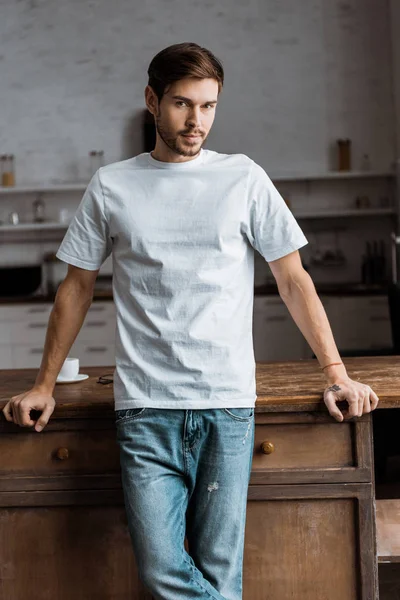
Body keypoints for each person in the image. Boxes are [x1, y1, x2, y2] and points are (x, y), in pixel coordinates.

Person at [2, 42, 379, 600]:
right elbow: (75, 287)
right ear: (152, 100)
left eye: (207, 106)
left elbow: (293, 278)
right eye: (182, 104)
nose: (195, 121)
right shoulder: (112, 185)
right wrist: (43, 384)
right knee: (160, 572)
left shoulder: (243, 178)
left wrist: (336, 371)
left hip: (227, 404)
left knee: (219, 569)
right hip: (145, 407)